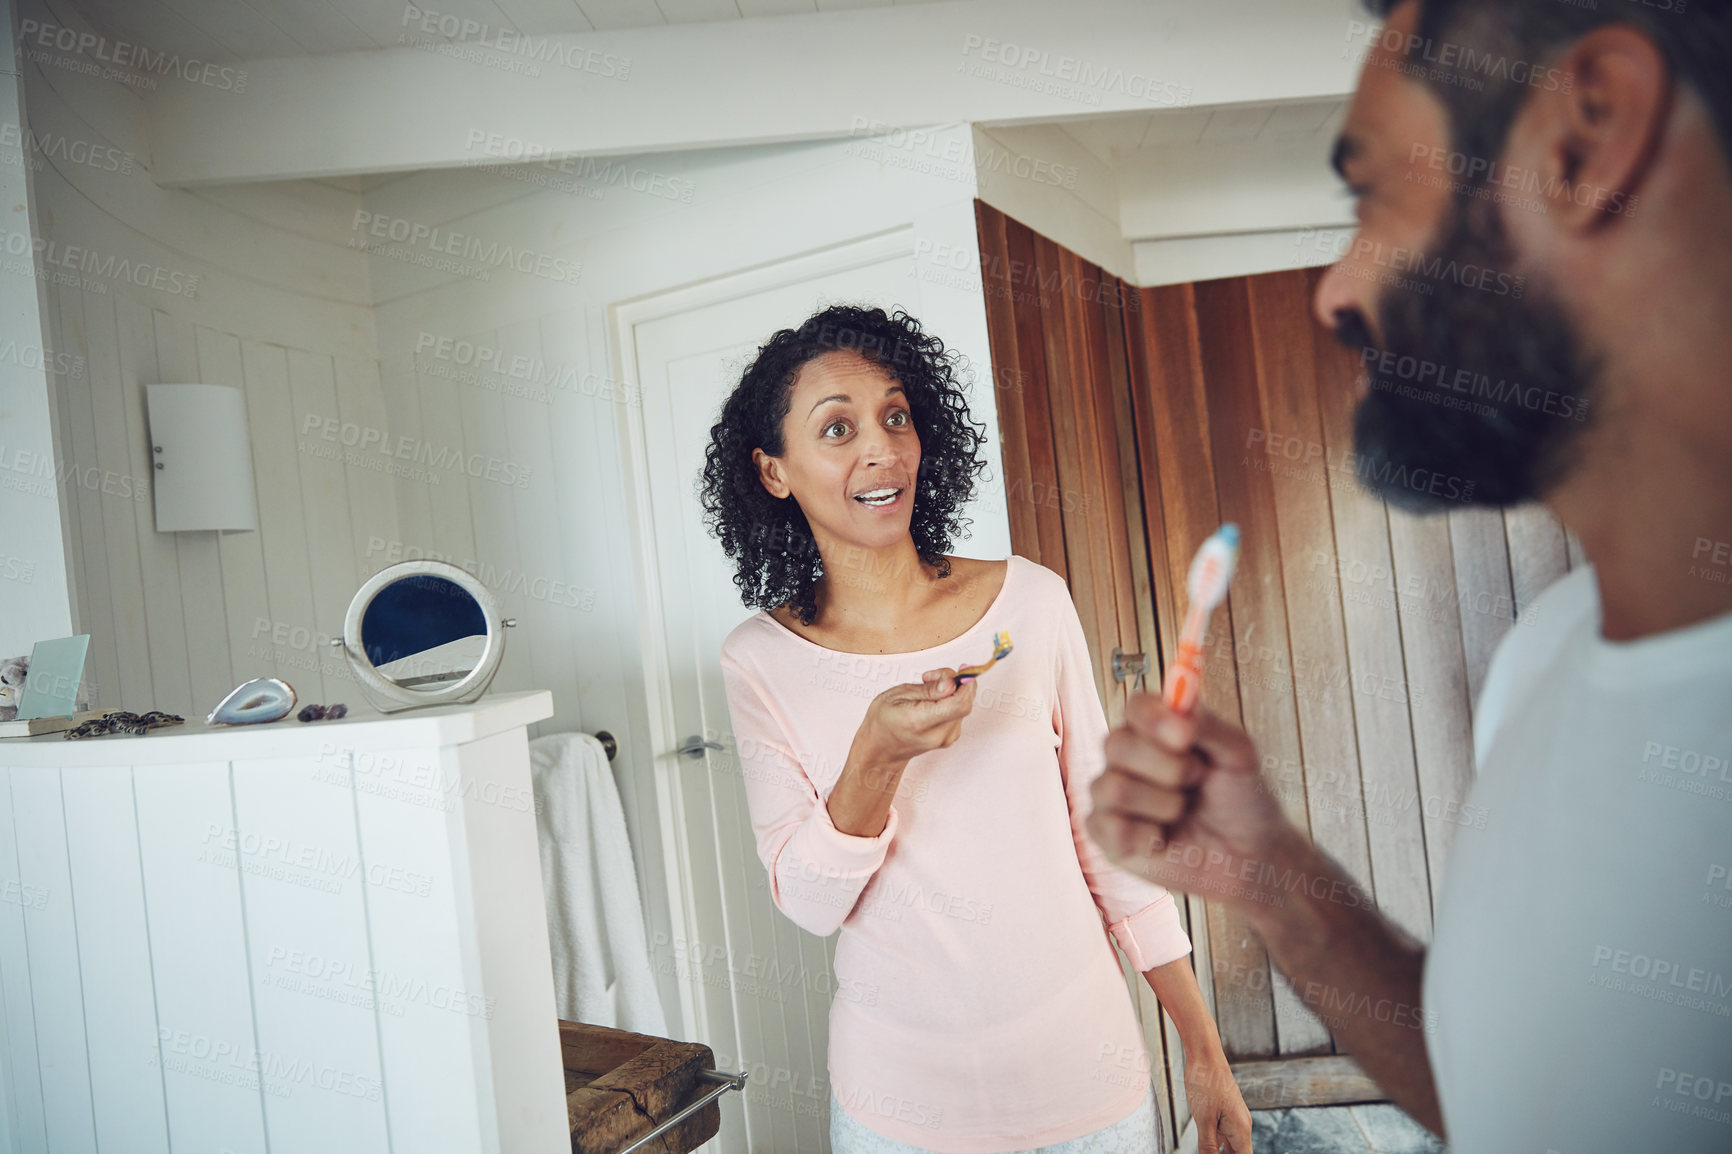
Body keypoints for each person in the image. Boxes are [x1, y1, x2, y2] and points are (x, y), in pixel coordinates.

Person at [1086, 0, 1732, 1150]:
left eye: (1371, 198)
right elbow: (1506, 1096)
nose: (1336, 292)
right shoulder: (1543, 651)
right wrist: (1267, 873)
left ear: (1585, 139)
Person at [701, 306, 1253, 1153]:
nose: (881, 448)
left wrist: (1204, 1052)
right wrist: (875, 758)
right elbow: (811, 904)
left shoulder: (1030, 603)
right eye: (837, 429)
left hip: (1086, 1084)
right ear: (774, 472)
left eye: (895, 415)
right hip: (899, 1112)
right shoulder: (758, 661)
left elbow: (1112, 844)